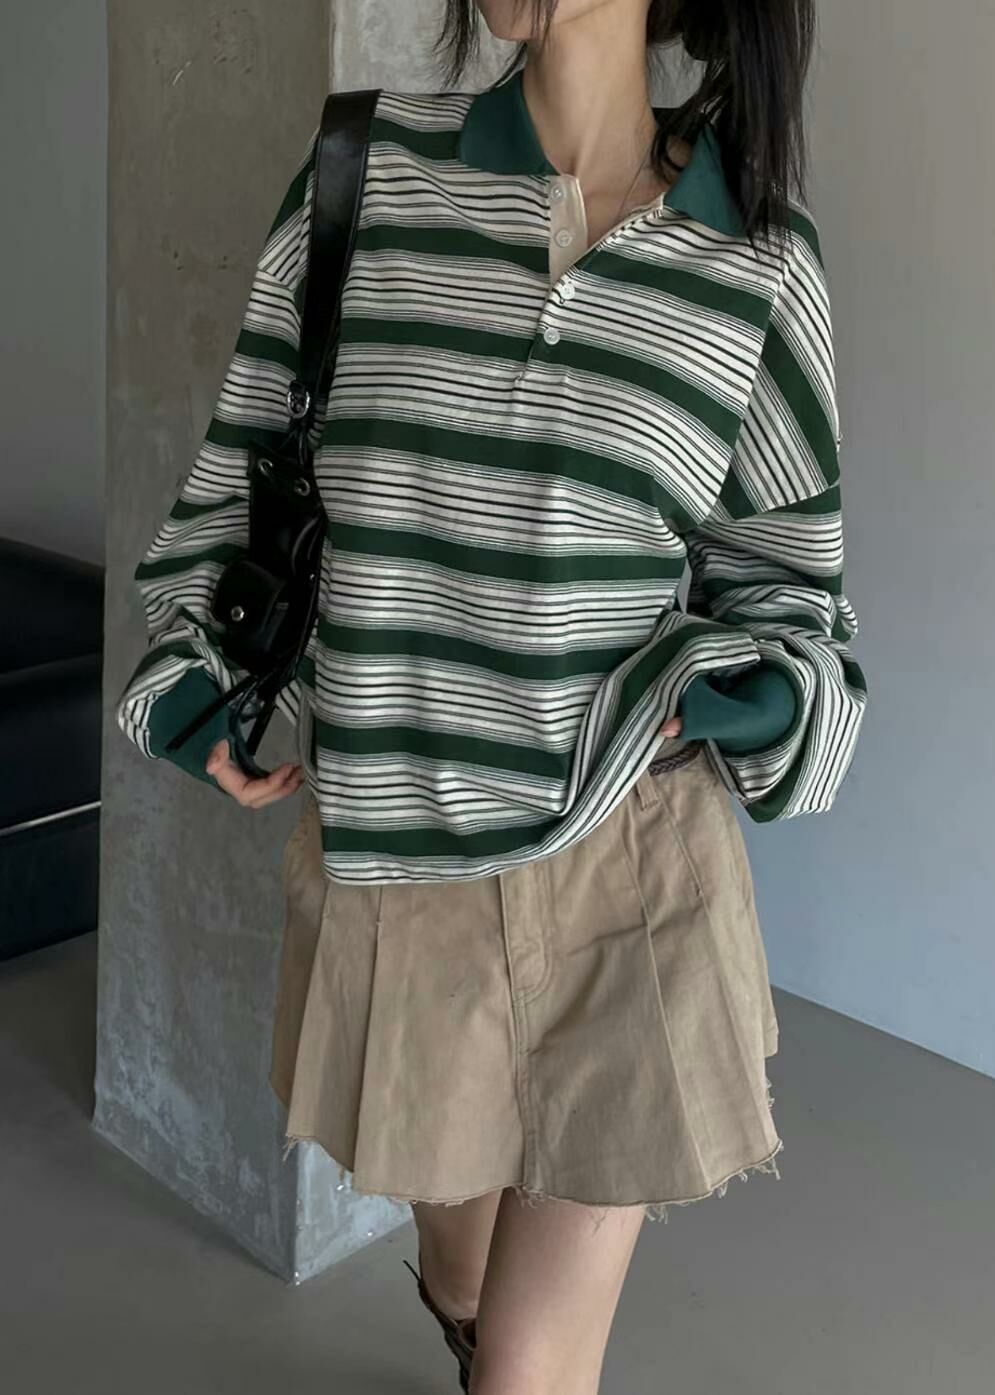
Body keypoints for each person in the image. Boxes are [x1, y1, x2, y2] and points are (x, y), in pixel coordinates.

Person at [115, 1, 867, 1391]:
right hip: (403, 862)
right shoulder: (362, 180)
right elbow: (239, 472)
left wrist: (736, 701)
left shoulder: (759, 258)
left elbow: (789, 583)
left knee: (529, 1375)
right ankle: (461, 1316)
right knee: (462, 1280)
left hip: (631, 861)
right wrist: (196, 677)